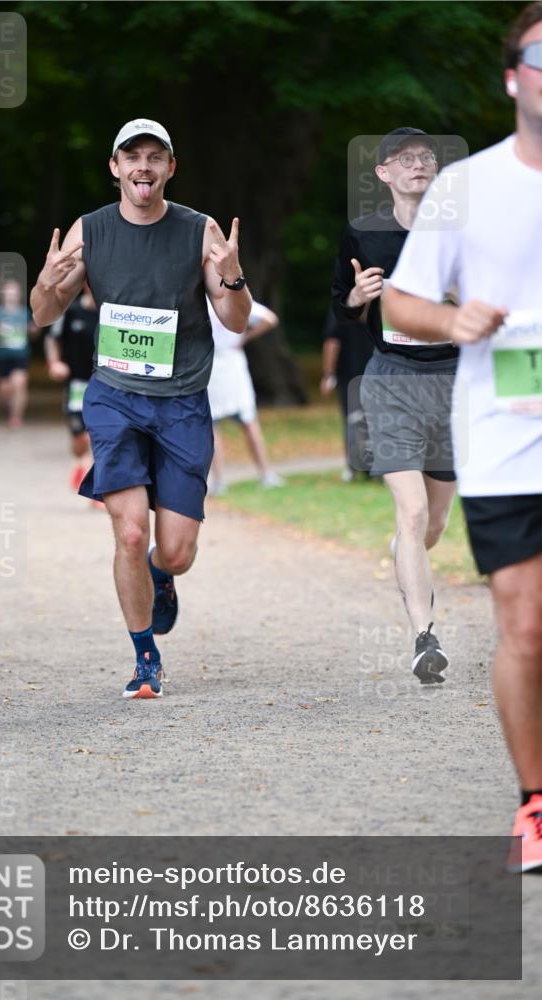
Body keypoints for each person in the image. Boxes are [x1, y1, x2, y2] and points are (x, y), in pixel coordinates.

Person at [383, 3, 542, 871]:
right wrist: (455, 318)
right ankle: (534, 804)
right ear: (512, 74)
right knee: (523, 628)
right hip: (506, 441)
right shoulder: (465, 186)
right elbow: (401, 302)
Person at [30, 118, 251, 699]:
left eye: (156, 158)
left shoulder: (199, 231)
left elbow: (235, 319)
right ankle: (145, 657)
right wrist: (48, 283)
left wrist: (232, 275)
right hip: (116, 399)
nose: (144, 168)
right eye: (133, 158)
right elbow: (42, 314)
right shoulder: (91, 230)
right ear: (115, 167)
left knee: (174, 552)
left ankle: (161, 575)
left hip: (181, 404)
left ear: (170, 168)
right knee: (128, 532)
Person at [332, 127, 458, 685]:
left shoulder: (460, 232)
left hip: (454, 381)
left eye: (426, 158)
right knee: (410, 513)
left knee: (432, 524)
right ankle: (423, 638)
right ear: (383, 174)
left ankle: (406, 552)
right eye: (405, 160)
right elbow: (343, 307)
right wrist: (358, 299)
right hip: (391, 381)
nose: (418, 166)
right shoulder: (362, 234)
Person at [207, 297, 284, 495]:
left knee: (213, 425)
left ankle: (219, 481)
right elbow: (269, 318)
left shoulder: (202, 301)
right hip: (231, 362)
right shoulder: (234, 299)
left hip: (212, 364)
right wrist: (245, 337)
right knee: (248, 421)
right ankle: (265, 473)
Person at [45, 284, 99, 494]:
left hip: (104, 383)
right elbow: (52, 339)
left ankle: (95, 482)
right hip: (76, 383)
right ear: (87, 285)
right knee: (80, 438)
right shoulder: (71, 311)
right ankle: (80, 463)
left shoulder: (112, 312)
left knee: (98, 435)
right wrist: (54, 363)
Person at [320, 307, 373, 482]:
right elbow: (332, 341)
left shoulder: (343, 305)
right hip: (367, 372)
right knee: (366, 421)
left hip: (356, 374)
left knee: (354, 421)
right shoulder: (379, 303)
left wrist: (328, 374)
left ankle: (356, 467)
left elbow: (332, 341)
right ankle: (363, 467)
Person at [0, 280, 37, 428]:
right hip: (2, 356)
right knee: (4, 389)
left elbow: (35, 331)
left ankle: (16, 417)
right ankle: (10, 408)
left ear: (19, 295)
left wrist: (31, 328)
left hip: (21, 355)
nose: (11, 296)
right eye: (8, 292)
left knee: (19, 383)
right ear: (3, 295)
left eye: (14, 293)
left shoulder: (24, 313)